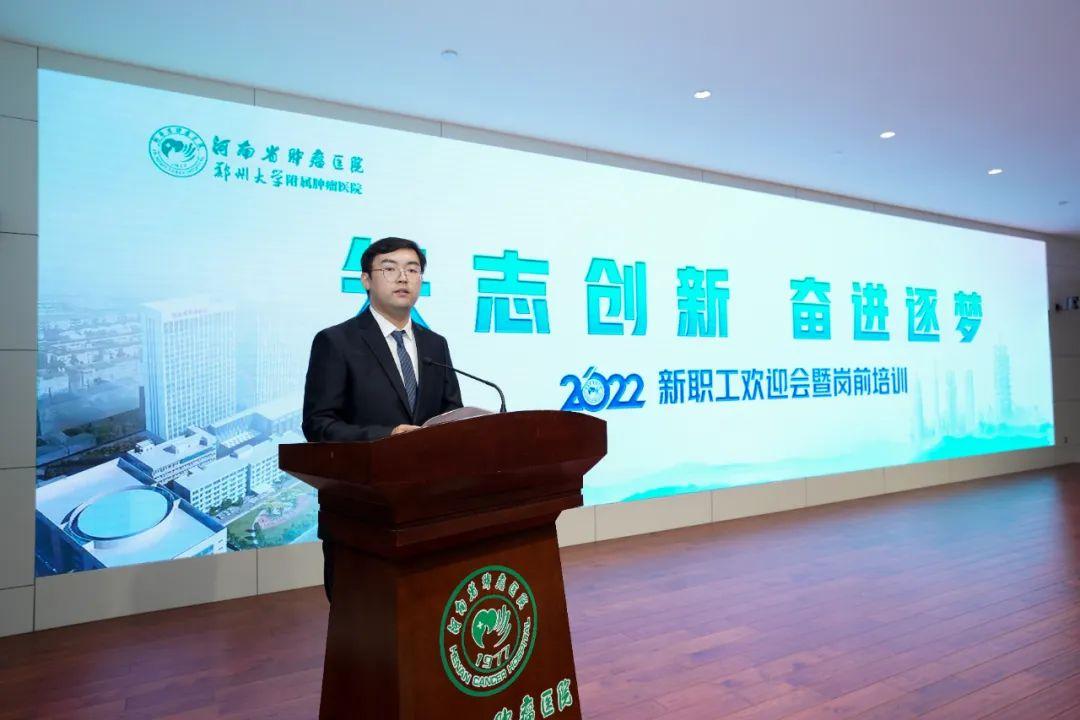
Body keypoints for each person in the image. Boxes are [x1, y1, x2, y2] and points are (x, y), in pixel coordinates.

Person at [301, 236, 462, 601]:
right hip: (361, 510)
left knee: (428, 611)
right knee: (362, 615)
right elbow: (318, 424)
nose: (403, 277)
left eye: (412, 270)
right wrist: (387, 435)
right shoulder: (336, 341)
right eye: (389, 269)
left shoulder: (435, 344)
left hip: (428, 508)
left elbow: (451, 414)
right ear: (366, 280)